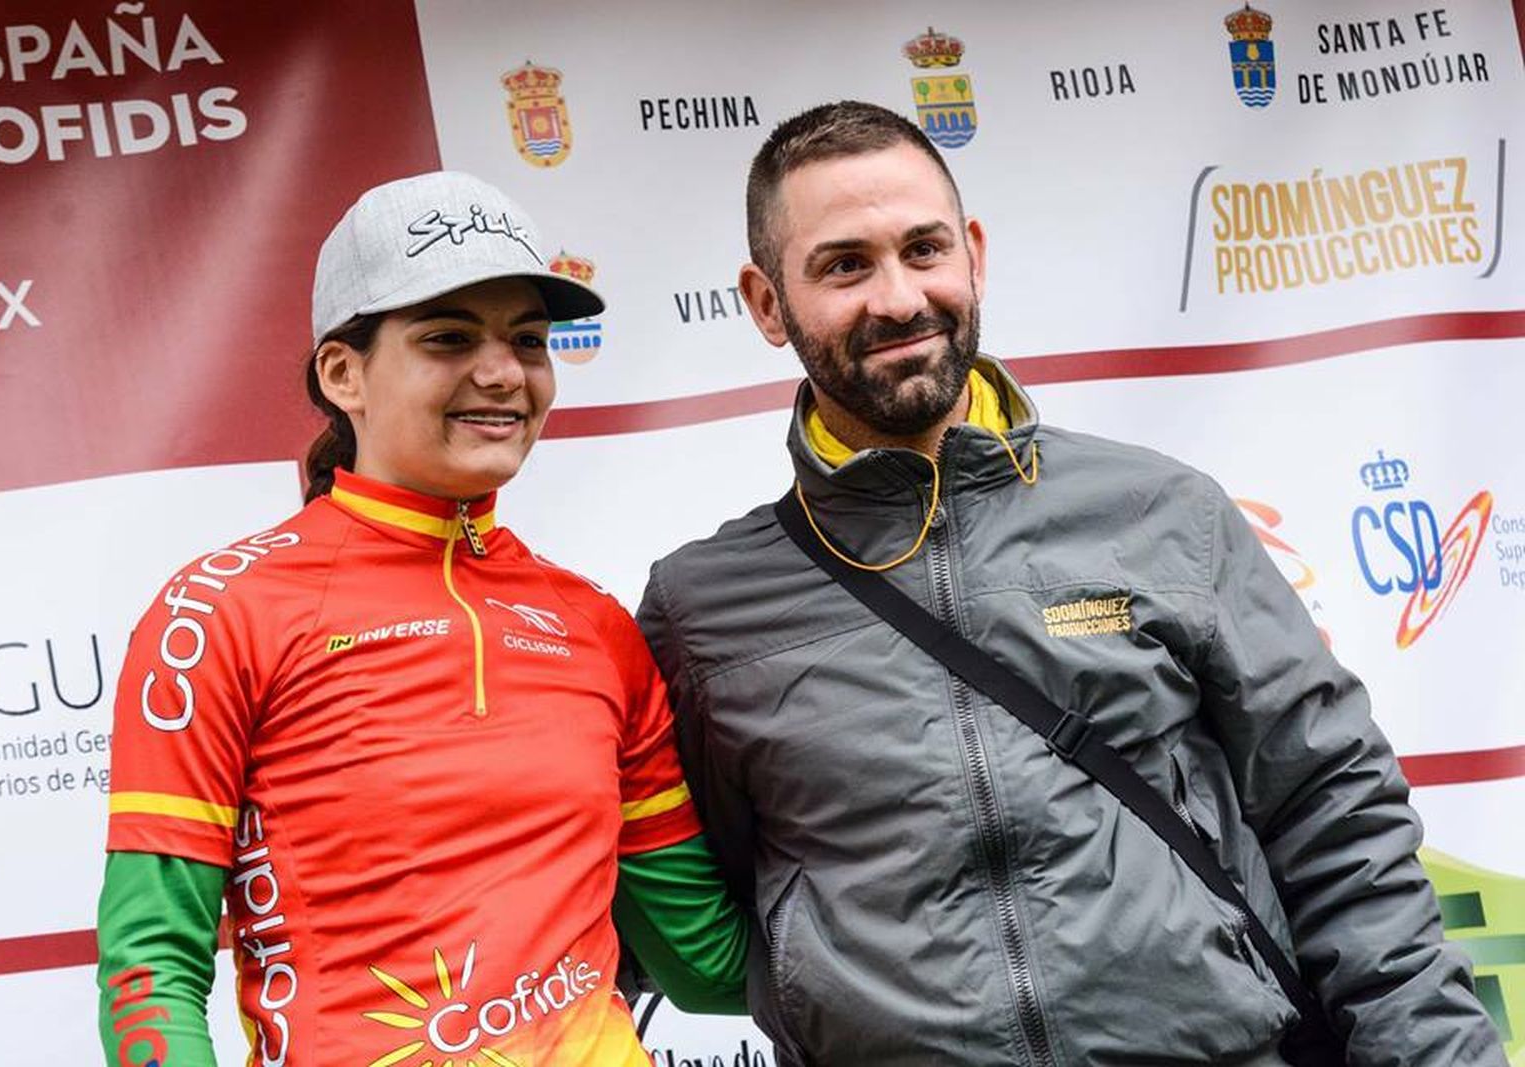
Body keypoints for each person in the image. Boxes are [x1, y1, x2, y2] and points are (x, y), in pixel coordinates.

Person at [636, 101, 1506, 1066]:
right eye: (845, 265)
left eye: (924, 249)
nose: (898, 298)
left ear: (972, 253)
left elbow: (1332, 809)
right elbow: (680, 912)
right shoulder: (702, 608)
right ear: (766, 303)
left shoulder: (1162, 510)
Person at [96, 170, 747, 1067]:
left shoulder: (596, 628)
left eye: (528, 338)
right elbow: (150, 975)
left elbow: (705, 963)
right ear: (342, 372)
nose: (502, 372)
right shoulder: (218, 613)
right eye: (448, 338)